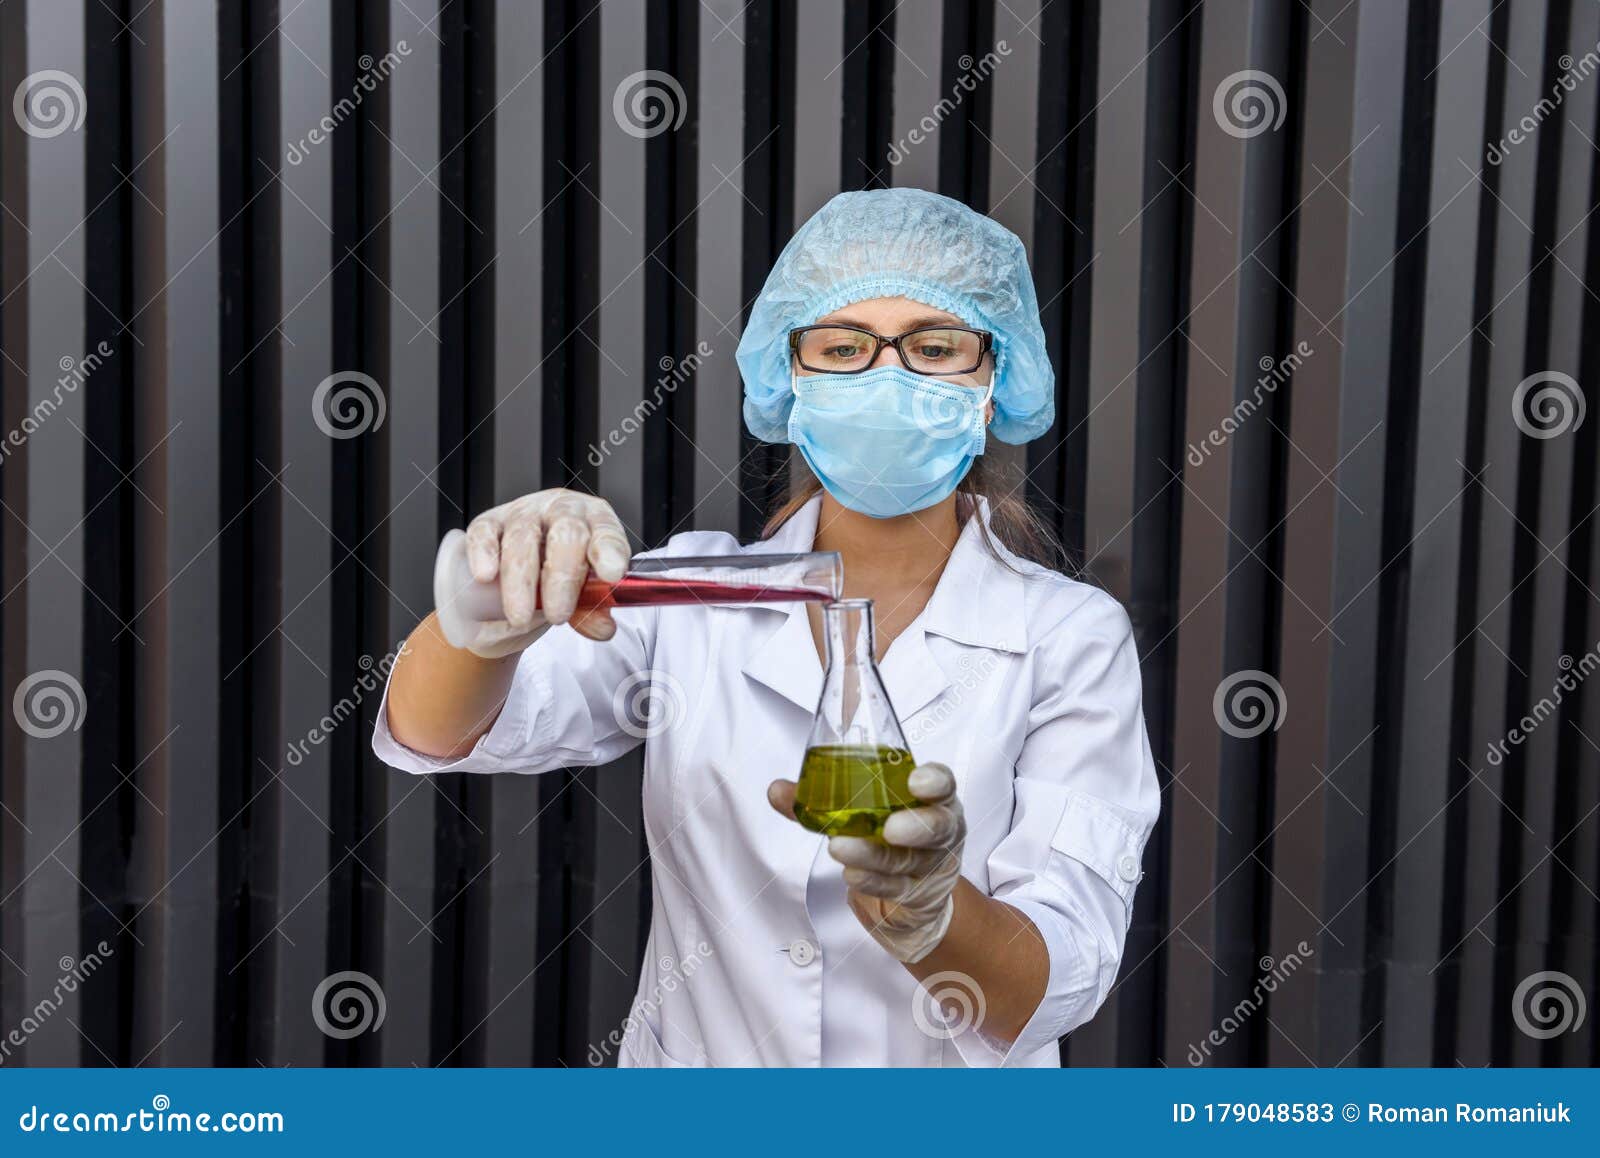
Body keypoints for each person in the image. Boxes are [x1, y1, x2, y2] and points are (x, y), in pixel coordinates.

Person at [374, 187, 1159, 1067]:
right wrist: (487, 611)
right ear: (791, 375)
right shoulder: (688, 595)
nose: (886, 378)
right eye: (843, 347)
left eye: (936, 349)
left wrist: (935, 914)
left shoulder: (1068, 636)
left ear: (994, 383)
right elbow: (431, 732)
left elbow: (1051, 988)